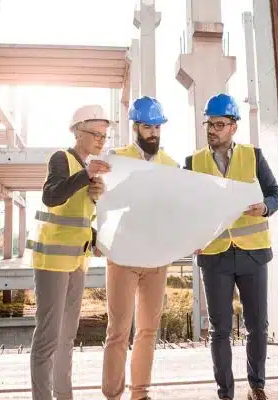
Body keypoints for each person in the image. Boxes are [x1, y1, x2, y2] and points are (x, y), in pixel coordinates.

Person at [184, 93, 278, 400]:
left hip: (252, 253)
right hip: (215, 257)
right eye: (209, 124)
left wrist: (265, 207)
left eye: (219, 124)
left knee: (257, 326)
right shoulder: (193, 162)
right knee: (220, 330)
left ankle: (257, 387)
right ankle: (225, 393)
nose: (212, 129)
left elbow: (276, 194)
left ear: (233, 127)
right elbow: (185, 208)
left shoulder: (253, 156)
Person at [27, 104, 112, 400]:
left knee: (67, 337)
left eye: (104, 135)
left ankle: (65, 396)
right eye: (95, 133)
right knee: (48, 337)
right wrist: (85, 176)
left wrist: (98, 237)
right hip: (52, 260)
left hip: (77, 260)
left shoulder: (88, 171)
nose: (101, 140)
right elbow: (51, 196)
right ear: (77, 131)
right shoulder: (61, 158)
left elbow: (80, 219)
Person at [98, 96, 179, 400]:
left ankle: (140, 393)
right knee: (118, 330)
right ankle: (112, 394)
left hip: (157, 259)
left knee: (147, 330)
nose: (154, 132)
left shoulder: (171, 165)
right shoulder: (116, 158)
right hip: (123, 257)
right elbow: (102, 202)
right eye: (148, 126)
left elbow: (177, 209)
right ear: (135, 127)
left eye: (157, 127)